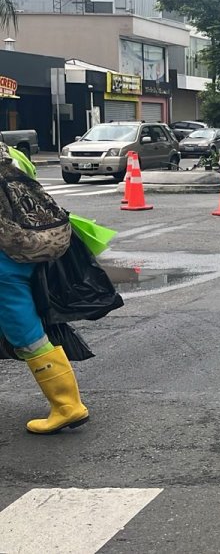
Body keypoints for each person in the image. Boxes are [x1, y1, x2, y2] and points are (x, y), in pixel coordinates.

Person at [0, 143, 90, 434]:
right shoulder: (11, 152)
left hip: (5, 259)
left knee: (25, 333)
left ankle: (67, 406)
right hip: (28, 245)